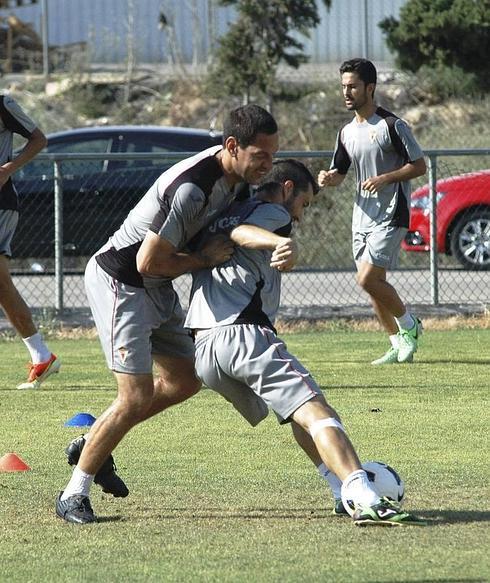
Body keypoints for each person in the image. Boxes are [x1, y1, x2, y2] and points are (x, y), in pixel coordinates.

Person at [56, 104, 297, 524]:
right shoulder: (193, 188)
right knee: (134, 395)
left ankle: (95, 441)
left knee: (186, 380)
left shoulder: (237, 185)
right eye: (261, 156)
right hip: (122, 280)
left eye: (273, 156)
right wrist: (203, 259)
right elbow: (149, 261)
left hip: (156, 284)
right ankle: (72, 495)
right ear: (232, 146)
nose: (268, 165)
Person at [185, 158, 426, 527]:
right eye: (304, 204)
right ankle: (364, 496)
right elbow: (243, 234)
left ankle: (336, 489)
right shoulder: (270, 212)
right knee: (319, 412)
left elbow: (227, 233)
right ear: (286, 189)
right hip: (243, 334)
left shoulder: (224, 211)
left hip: (203, 349)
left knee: (298, 413)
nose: (299, 216)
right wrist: (281, 240)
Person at [317, 58, 427, 365]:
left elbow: (419, 165)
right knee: (373, 287)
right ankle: (396, 344)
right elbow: (339, 172)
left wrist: (385, 178)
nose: (347, 92)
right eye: (343, 87)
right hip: (361, 217)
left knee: (366, 279)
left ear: (370, 87)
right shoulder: (346, 132)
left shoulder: (392, 125)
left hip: (391, 213)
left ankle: (409, 326)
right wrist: (329, 178)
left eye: (352, 86)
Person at [0, 94, 61, 389]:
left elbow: (38, 139)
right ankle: (42, 356)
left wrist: (8, 168)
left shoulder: (4, 105)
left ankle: (42, 356)